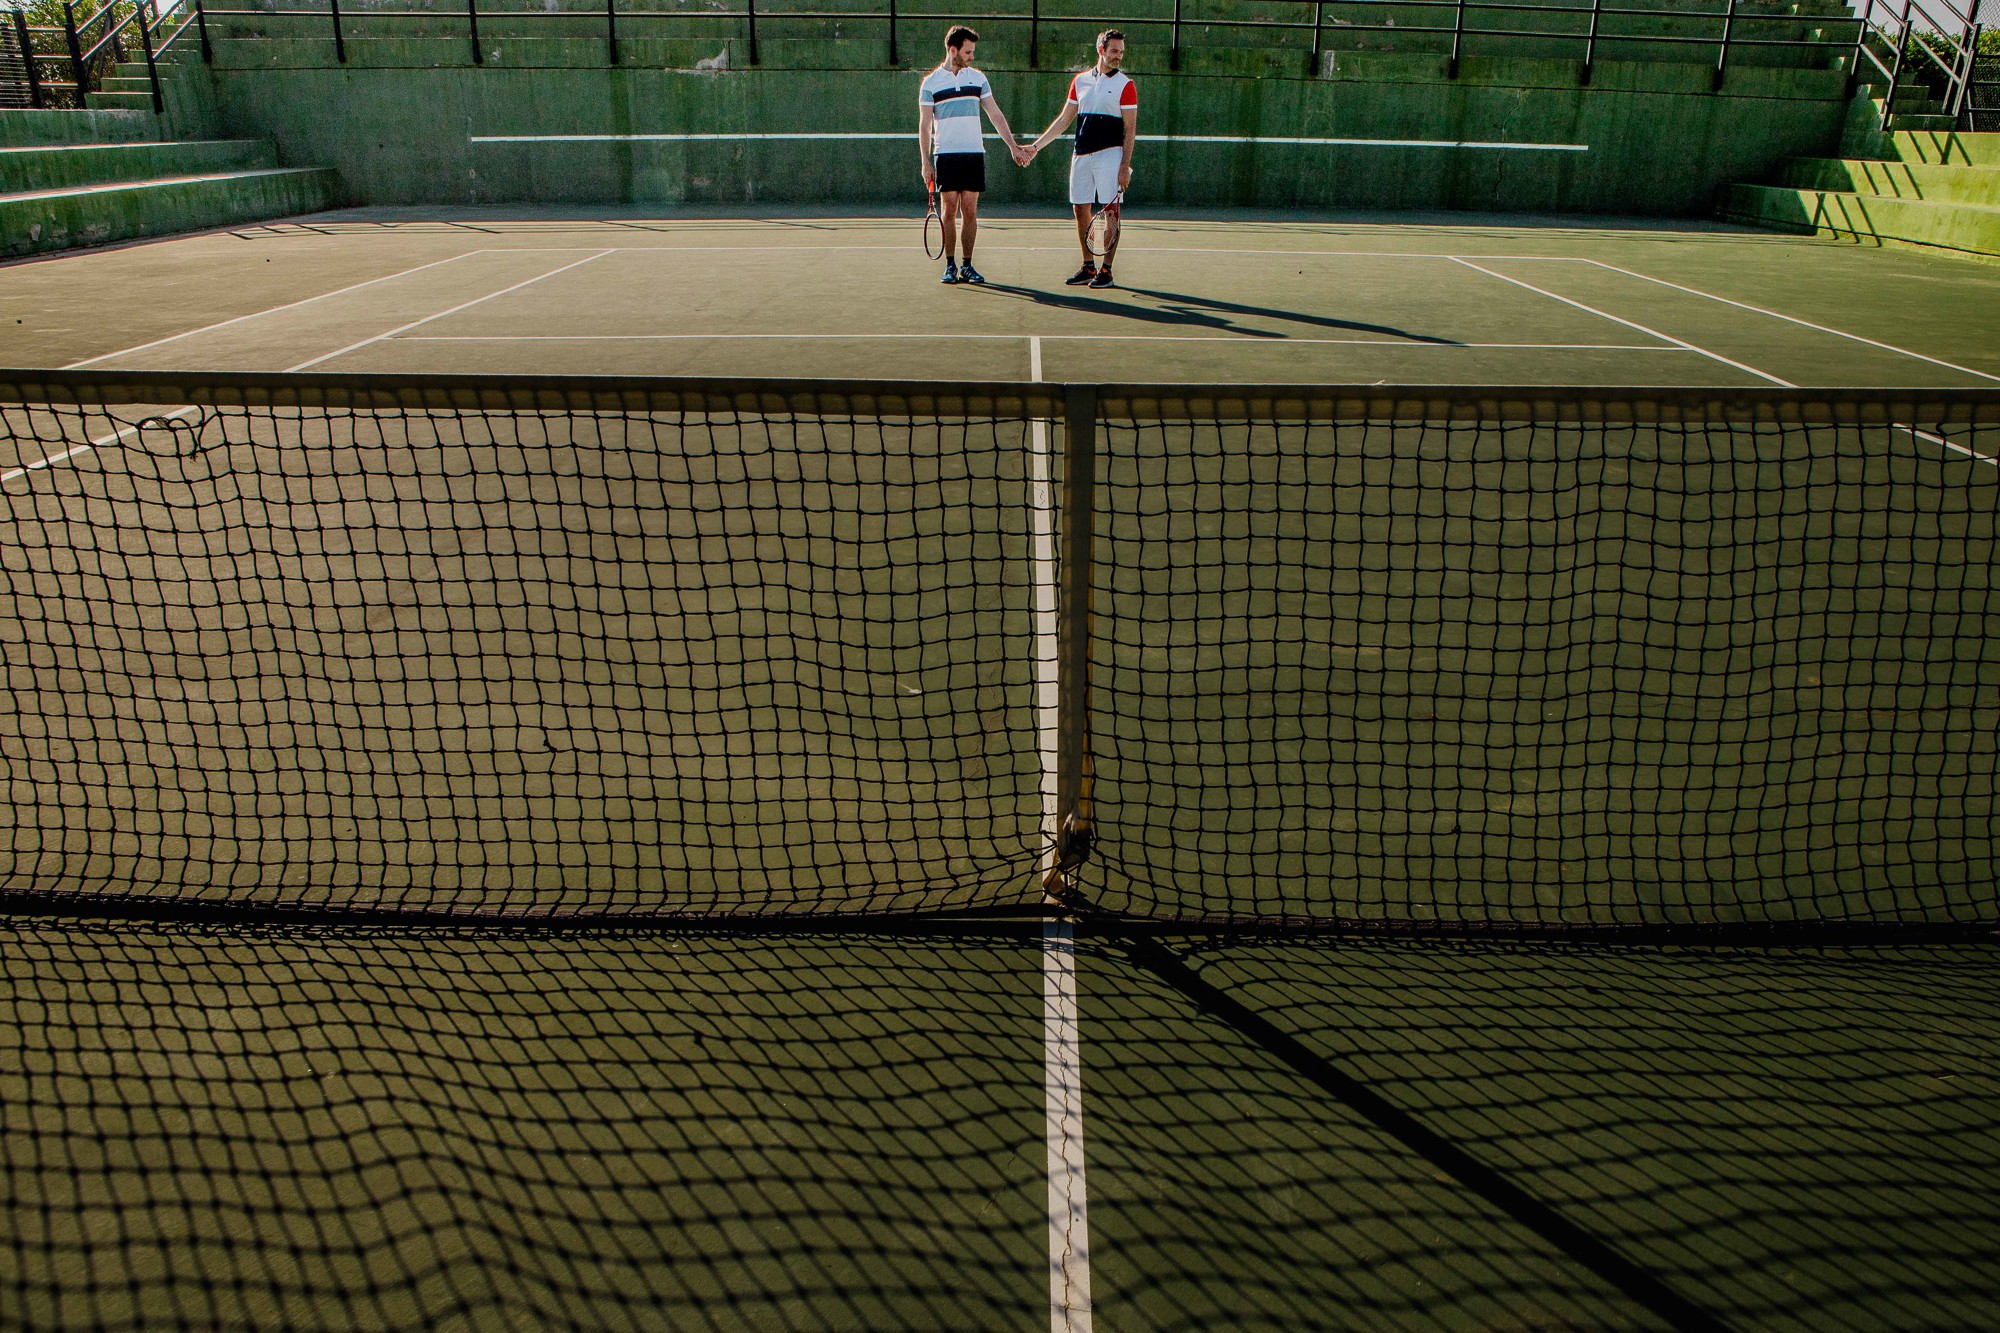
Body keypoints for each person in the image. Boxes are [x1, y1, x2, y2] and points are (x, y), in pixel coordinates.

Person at [1024, 30, 1137, 290]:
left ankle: (1106, 270)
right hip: (1081, 155)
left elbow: (1130, 129)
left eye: (1121, 52)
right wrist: (1036, 146)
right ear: (1101, 50)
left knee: (1111, 213)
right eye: (1114, 51)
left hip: (1110, 155)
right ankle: (1089, 266)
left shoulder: (1126, 85)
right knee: (1080, 208)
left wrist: (1123, 168)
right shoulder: (1080, 81)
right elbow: (1064, 120)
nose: (1118, 56)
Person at [918, 25, 1029, 286]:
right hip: (945, 156)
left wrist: (1013, 145)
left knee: (969, 211)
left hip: (973, 155)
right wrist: (926, 162)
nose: (971, 56)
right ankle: (950, 266)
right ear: (952, 50)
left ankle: (967, 266)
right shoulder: (931, 83)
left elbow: (995, 113)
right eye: (968, 51)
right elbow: (924, 125)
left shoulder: (978, 78)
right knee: (948, 211)